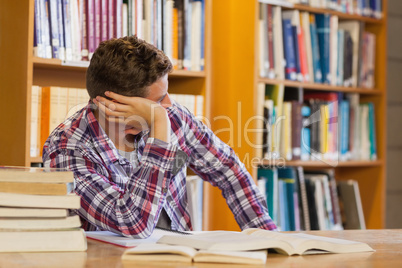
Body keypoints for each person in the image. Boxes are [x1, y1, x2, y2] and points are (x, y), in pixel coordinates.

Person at [43, 36, 277, 238]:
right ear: (115, 105)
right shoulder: (67, 149)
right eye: (157, 101)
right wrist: (159, 128)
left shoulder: (172, 116)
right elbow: (132, 223)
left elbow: (229, 170)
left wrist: (267, 237)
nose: (169, 105)